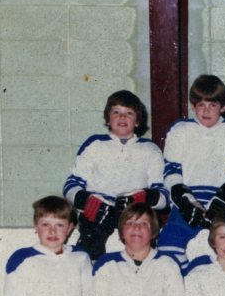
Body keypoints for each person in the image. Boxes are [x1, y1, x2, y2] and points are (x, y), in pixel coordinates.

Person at [157, 74, 225, 273]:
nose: (206, 111)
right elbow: (171, 172)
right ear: (193, 105)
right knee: (167, 248)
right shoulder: (180, 130)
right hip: (188, 205)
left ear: (223, 107)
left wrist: (218, 205)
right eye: (201, 105)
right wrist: (187, 202)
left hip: (223, 207)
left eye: (212, 105)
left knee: (221, 254)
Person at [64, 90, 168, 260]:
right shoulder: (94, 144)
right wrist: (86, 200)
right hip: (98, 212)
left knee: (143, 247)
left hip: (133, 212)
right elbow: (71, 185)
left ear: (137, 121)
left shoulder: (150, 149)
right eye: (116, 112)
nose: (122, 117)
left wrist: (144, 198)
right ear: (107, 118)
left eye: (129, 113)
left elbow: (163, 196)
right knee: (87, 252)